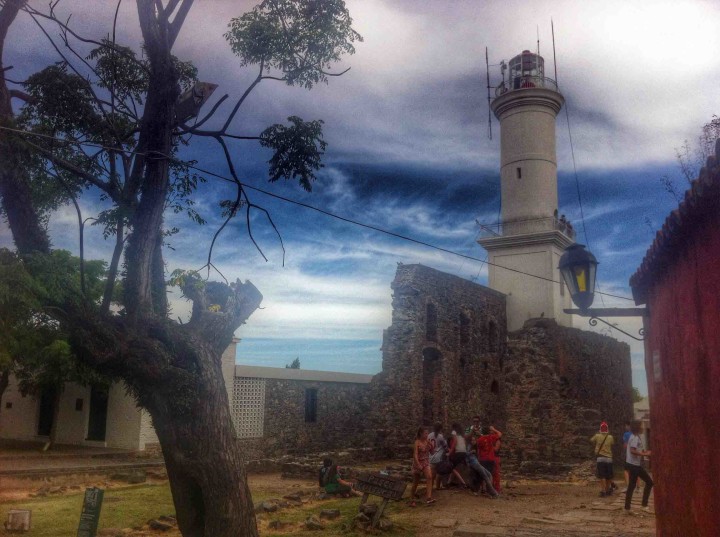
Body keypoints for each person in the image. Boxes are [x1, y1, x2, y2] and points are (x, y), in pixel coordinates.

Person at [624, 420, 653, 514]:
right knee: (649, 482)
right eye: (641, 426)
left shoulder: (635, 437)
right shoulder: (635, 437)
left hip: (633, 464)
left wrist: (644, 453)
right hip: (634, 465)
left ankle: (627, 508)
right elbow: (633, 450)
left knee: (632, 486)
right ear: (638, 427)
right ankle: (643, 505)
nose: (643, 427)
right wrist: (644, 454)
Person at [410, 427, 436, 505]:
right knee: (416, 482)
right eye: (425, 433)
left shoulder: (427, 442)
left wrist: (431, 446)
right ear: (421, 433)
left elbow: (432, 452)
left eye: (427, 433)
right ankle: (412, 499)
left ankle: (429, 498)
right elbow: (415, 455)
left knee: (429, 477)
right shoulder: (417, 442)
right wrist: (418, 465)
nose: (427, 435)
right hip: (418, 462)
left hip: (426, 462)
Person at [590, 421, 615, 497]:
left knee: (602, 475)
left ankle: (603, 491)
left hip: (600, 458)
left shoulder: (597, 436)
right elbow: (612, 443)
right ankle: (608, 490)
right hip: (609, 458)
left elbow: (591, 440)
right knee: (608, 476)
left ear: (600, 429)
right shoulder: (610, 437)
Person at [447, 422, 469, 488]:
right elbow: (465, 443)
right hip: (464, 452)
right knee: (454, 467)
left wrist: (450, 452)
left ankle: (463, 483)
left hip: (459, 452)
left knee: (451, 467)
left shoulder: (454, 432)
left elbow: (455, 442)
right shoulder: (462, 434)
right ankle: (449, 482)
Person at [428, 422, 448, 490]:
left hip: (431, 457)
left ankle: (430, 489)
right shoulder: (440, 436)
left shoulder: (429, 435)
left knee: (432, 475)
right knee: (439, 473)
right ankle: (437, 487)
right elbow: (445, 446)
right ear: (440, 429)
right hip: (438, 457)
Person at [622, 422, 632, 491]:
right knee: (635, 471)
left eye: (626, 426)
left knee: (626, 471)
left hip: (628, 454)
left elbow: (625, 445)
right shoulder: (635, 434)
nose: (625, 427)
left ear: (628, 426)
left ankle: (627, 486)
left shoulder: (626, 434)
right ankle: (638, 487)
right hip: (634, 455)